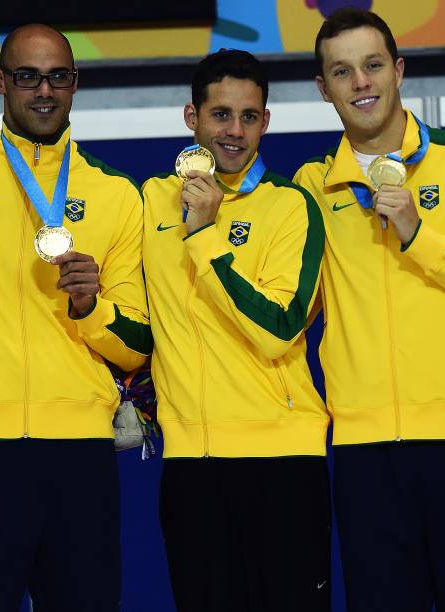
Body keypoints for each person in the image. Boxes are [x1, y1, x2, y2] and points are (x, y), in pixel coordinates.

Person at [294, 8, 445, 612]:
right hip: (363, 456)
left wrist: (418, 234)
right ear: (324, 89)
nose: (361, 83)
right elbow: (290, 316)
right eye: (343, 72)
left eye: (373, 65)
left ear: (399, 70)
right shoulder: (310, 187)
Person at [0, 23, 151, 611]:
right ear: (0, 81)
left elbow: (136, 344)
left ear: (75, 83)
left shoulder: (116, 193)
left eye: (58, 77)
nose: (45, 91)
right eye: (28, 77)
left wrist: (92, 308)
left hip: (78, 455)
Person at [142, 50, 330, 612]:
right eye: (220, 115)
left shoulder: (290, 206)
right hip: (192, 462)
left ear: (266, 122)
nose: (235, 131)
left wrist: (204, 236)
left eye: (249, 116)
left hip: (283, 459)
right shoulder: (149, 201)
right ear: (191, 117)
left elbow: (279, 328)